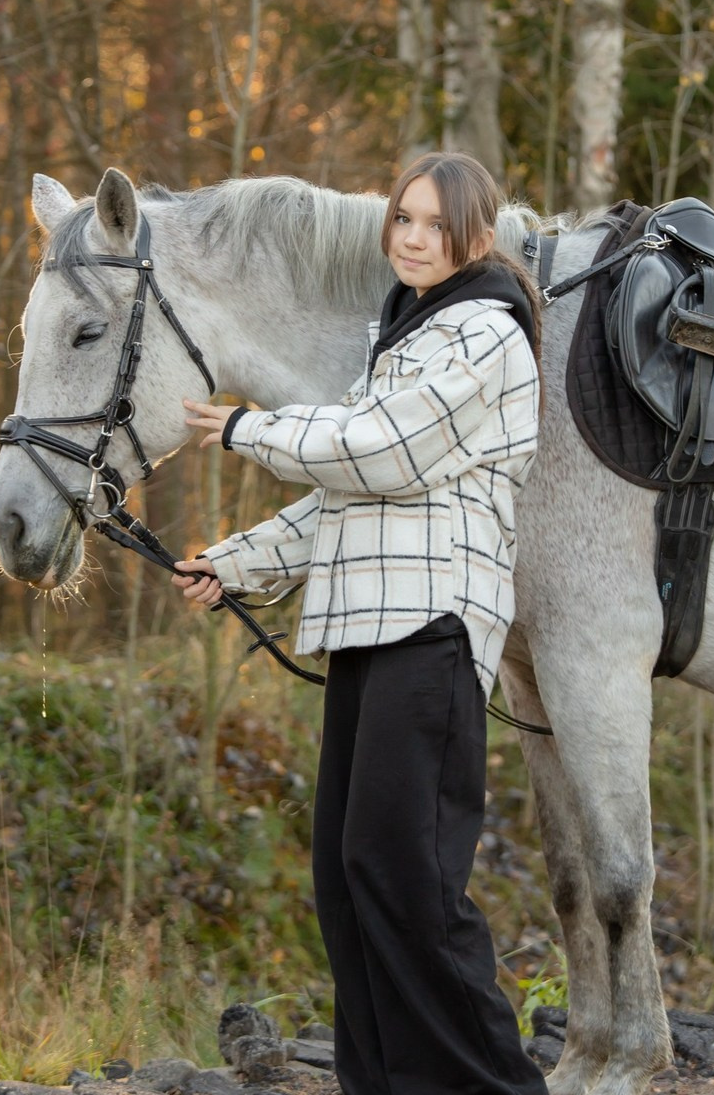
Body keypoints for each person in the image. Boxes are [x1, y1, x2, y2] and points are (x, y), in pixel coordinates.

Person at [172, 151, 547, 1095]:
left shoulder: (483, 332)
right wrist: (237, 562)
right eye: (404, 220)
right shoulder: (405, 338)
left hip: (433, 630)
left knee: (408, 882)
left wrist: (242, 428)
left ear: (477, 235)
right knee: (350, 882)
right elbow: (349, 489)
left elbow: (381, 453)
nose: (414, 239)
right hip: (368, 629)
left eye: (435, 224)